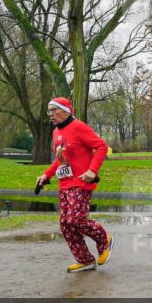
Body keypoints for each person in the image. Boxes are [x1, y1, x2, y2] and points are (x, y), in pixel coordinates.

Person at [36, 97, 112, 273]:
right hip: (65, 184)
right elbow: (60, 159)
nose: (51, 114)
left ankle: (104, 239)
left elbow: (101, 146)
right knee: (66, 224)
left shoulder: (78, 127)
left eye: (54, 110)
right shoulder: (56, 132)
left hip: (81, 182)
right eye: (49, 111)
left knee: (75, 219)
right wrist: (46, 175)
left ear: (66, 110)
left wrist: (92, 171)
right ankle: (85, 260)